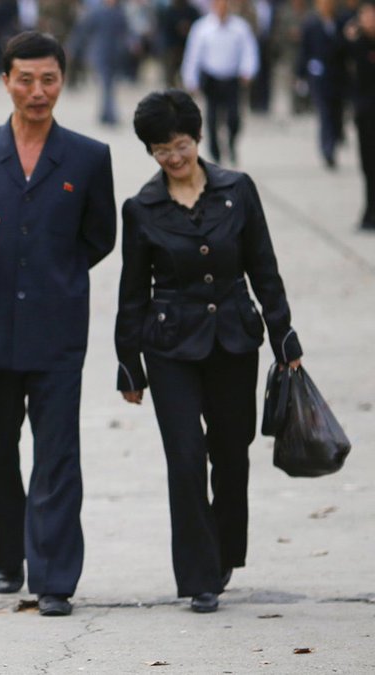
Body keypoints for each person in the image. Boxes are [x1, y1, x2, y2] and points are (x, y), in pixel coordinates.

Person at [0, 31, 116, 617]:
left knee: (57, 457)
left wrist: (57, 275)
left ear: (62, 82)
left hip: (58, 331)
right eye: (26, 80)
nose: (38, 91)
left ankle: (54, 580)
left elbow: (100, 237)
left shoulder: (87, 157)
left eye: (48, 80)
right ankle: (9, 555)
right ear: (6, 81)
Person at [115, 89, 303, 614]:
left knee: (231, 450)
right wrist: (128, 363)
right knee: (185, 457)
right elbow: (133, 290)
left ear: (197, 137)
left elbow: (263, 266)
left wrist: (284, 335)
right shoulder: (141, 208)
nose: (173, 157)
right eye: (161, 150)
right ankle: (199, 576)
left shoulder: (237, 190)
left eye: (180, 145)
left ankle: (224, 549)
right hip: (170, 345)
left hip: (234, 338)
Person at [181, 0, 260, 165]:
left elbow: (249, 51)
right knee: (212, 118)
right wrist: (190, 79)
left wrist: (248, 70)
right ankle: (215, 151)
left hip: (232, 78)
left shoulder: (240, 27)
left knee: (234, 117)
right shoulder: (202, 28)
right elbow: (193, 55)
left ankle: (231, 143)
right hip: (212, 79)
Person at [298, 0, 350, 168]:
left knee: (337, 113)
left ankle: (336, 138)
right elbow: (304, 50)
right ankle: (327, 148)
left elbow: (347, 50)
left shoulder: (341, 23)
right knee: (325, 113)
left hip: (338, 77)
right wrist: (300, 75)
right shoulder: (311, 24)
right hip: (319, 78)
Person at [345, 0, 375, 230]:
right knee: (368, 166)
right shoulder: (357, 44)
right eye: (365, 16)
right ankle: (369, 212)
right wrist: (347, 38)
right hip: (365, 115)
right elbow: (335, 60)